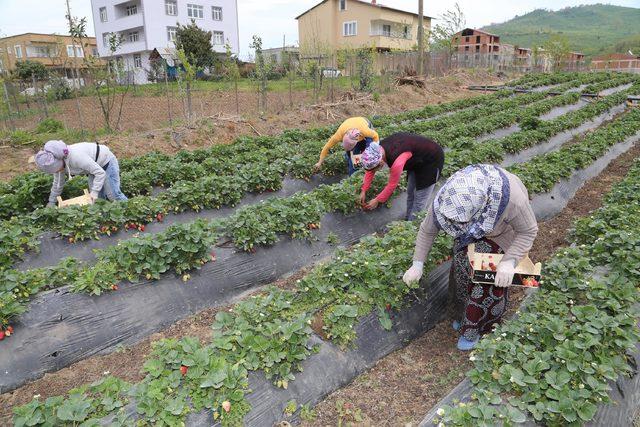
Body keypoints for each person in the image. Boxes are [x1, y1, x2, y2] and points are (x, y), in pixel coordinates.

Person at [402, 164, 538, 351]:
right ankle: (462, 315)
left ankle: (477, 327)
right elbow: (427, 230)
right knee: (461, 269)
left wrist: (509, 261)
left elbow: (528, 231)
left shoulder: (514, 200)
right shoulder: (449, 196)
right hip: (471, 237)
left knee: (487, 280)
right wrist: (417, 264)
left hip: (502, 236)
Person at [359, 133, 444, 221]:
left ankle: (413, 226)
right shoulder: (377, 149)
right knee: (411, 193)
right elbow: (370, 169)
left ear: (380, 163)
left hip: (432, 160)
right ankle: (408, 220)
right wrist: (364, 190)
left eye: (375, 169)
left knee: (420, 200)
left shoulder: (396, 160)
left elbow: (392, 184)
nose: (374, 171)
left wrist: (377, 200)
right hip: (417, 160)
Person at [34, 140, 128, 207]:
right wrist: (51, 202)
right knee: (98, 200)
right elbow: (58, 184)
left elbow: (100, 173)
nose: (58, 172)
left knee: (113, 195)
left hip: (106, 162)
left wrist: (94, 192)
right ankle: (104, 218)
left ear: (59, 164)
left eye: (57, 170)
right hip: (93, 169)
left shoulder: (76, 157)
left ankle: (130, 209)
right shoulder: (59, 163)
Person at [314, 116, 379, 176]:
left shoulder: (365, 131)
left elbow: (376, 136)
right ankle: (355, 175)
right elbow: (326, 147)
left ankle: (370, 171)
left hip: (364, 123)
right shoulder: (338, 135)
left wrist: (374, 150)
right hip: (349, 125)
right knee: (354, 157)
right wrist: (319, 162)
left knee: (368, 151)